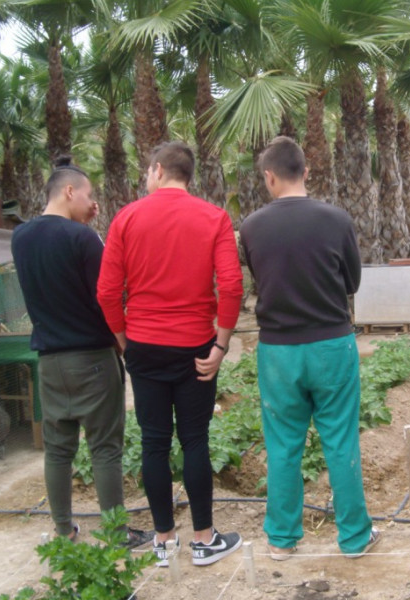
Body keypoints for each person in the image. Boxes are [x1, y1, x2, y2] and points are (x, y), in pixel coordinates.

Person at [97, 141, 244, 567]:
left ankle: (163, 541)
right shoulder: (213, 217)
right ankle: (204, 539)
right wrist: (221, 344)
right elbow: (231, 286)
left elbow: (107, 291)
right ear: (187, 175)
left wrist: (124, 339)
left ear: (157, 170)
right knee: (195, 439)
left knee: (153, 441)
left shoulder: (126, 218)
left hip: (143, 343)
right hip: (197, 346)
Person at [239, 136, 378, 561]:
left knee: (282, 445)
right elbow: (352, 283)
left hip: (278, 350)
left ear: (269, 176)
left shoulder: (251, 226)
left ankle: (282, 539)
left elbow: (259, 281)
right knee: (340, 441)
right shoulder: (336, 219)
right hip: (331, 345)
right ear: (306, 171)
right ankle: (354, 538)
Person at [11, 157, 152, 548]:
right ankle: (116, 532)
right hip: (91, 357)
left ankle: (63, 531)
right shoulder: (83, 239)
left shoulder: (20, 237)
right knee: (105, 448)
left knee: (58, 450)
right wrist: (124, 343)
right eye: (90, 196)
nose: (94, 205)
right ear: (69, 191)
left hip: (50, 362)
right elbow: (105, 298)